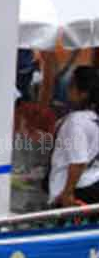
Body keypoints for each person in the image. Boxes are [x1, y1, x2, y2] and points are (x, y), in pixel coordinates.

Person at [49, 67, 99, 207]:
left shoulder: (76, 121)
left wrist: (67, 194)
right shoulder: (93, 118)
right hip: (92, 183)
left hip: (76, 191)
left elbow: (78, 162)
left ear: (83, 94)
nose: (67, 90)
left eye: (71, 85)